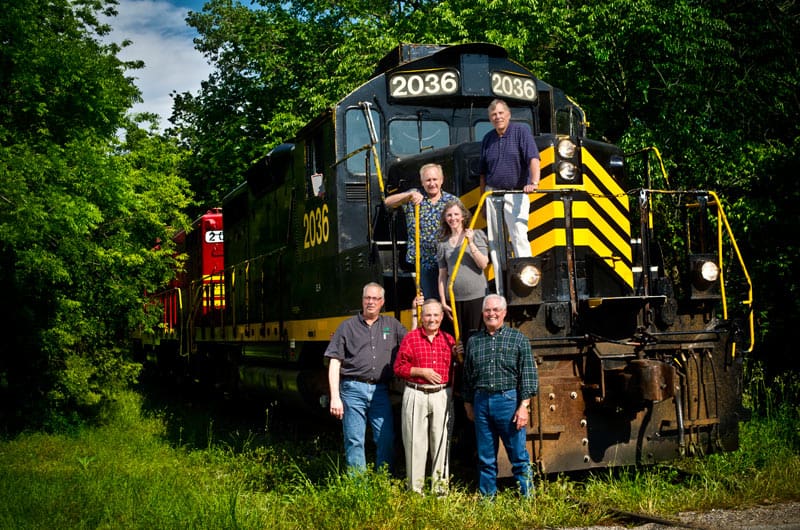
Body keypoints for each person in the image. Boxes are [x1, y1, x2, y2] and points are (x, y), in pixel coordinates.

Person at [462, 294, 538, 498]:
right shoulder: (474, 342)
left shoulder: (518, 339)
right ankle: (488, 499)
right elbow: (468, 376)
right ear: (482, 313)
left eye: (496, 310)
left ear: (504, 313)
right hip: (481, 402)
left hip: (508, 402)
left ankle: (528, 497)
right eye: (487, 310)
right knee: (486, 457)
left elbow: (528, 375)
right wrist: (468, 404)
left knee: (518, 455)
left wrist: (524, 406)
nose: (491, 314)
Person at [325, 282, 407, 472]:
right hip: (352, 390)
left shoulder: (392, 325)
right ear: (362, 300)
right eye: (367, 298)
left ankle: (382, 480)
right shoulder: (347, 327)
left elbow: (412, 342)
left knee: (386, 437)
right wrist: (335, 397)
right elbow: (335, 362)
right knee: (354, 440)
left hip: (380, 391)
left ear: (382, 302)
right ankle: (358, 488)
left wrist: (414, 313)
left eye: (375, 298)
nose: (371, 302)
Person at [393, 299, 456, 494]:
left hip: (441, 395)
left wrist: (459, 355)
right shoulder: (411, 338)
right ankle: (415, 491)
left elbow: (457, 367)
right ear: (421, 316)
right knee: (415, 443)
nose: (432, 319)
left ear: (442, 317)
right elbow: (398, 368)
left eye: (436, 315)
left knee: (441, 443)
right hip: (416, 393)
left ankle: (440, 491)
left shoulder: (449, 340)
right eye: (428, 315)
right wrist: (421, 371)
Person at [479, 99, 541, 293]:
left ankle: (527, 285)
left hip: (516, 192)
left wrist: (534, 183)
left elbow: (533, 158)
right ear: (490, 119)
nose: (497, 117)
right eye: (493, 115)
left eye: (500, 113)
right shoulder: (488, 139)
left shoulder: (521, 131)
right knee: (495, 242)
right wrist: (483, 200)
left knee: (518, 235)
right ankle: (501, 290)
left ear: (508, 114)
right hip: (492, 193)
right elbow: (483, 173)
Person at [385, 163, 457, 299]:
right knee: (431, 301)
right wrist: (408, 196)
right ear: (422, 182)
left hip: (449, 259)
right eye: (428, 180)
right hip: (425, 261)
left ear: (442, 180)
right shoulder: (414, 195)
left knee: (451, 299)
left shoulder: (452, 201)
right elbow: (388, 202)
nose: (432, 183)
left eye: (435, 179)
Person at [437, 199, 490, 343]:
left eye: (455, 214)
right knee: (457, 340)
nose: (452, 218)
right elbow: (442, 275)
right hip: (453, 299)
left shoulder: (476, 234)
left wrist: (471, 243)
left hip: (476, 296)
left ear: (463, 217)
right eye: (449, 215)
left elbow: (483, 264)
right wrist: (443, 300)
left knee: (475, 338)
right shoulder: (443, 243)